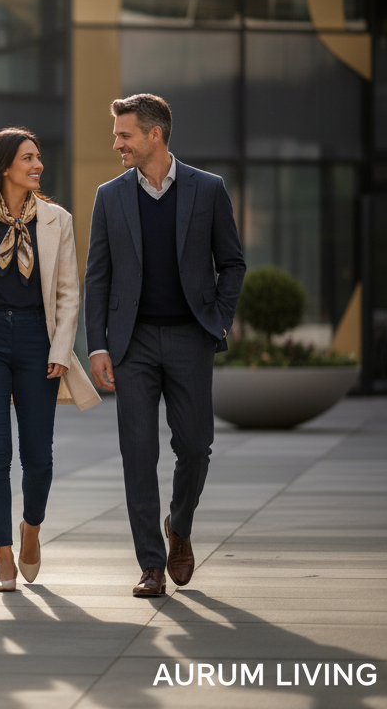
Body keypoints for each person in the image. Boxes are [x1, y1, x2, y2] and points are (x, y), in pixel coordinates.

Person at [84, 94, 245, 597]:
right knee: (137, 453)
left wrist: (217, 320)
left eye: (124, 135)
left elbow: (233, 262)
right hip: (130, 345)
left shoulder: (208, 189)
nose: (117, 144)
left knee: (195, 446)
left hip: (189, 338)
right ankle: (151, 563)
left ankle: (180, 522)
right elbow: (98, 277)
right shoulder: (109, 197)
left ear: (155, 134)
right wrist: (97, 346)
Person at [0, 128, 100, 592]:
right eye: (28, 158)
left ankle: (31, 528)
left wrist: (60, 349)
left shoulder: (57, 220)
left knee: (38, 456)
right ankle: (4, 557)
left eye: (39, 157)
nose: (38, 165)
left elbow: (69, 293)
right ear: (4, 165)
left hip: (37, 337)